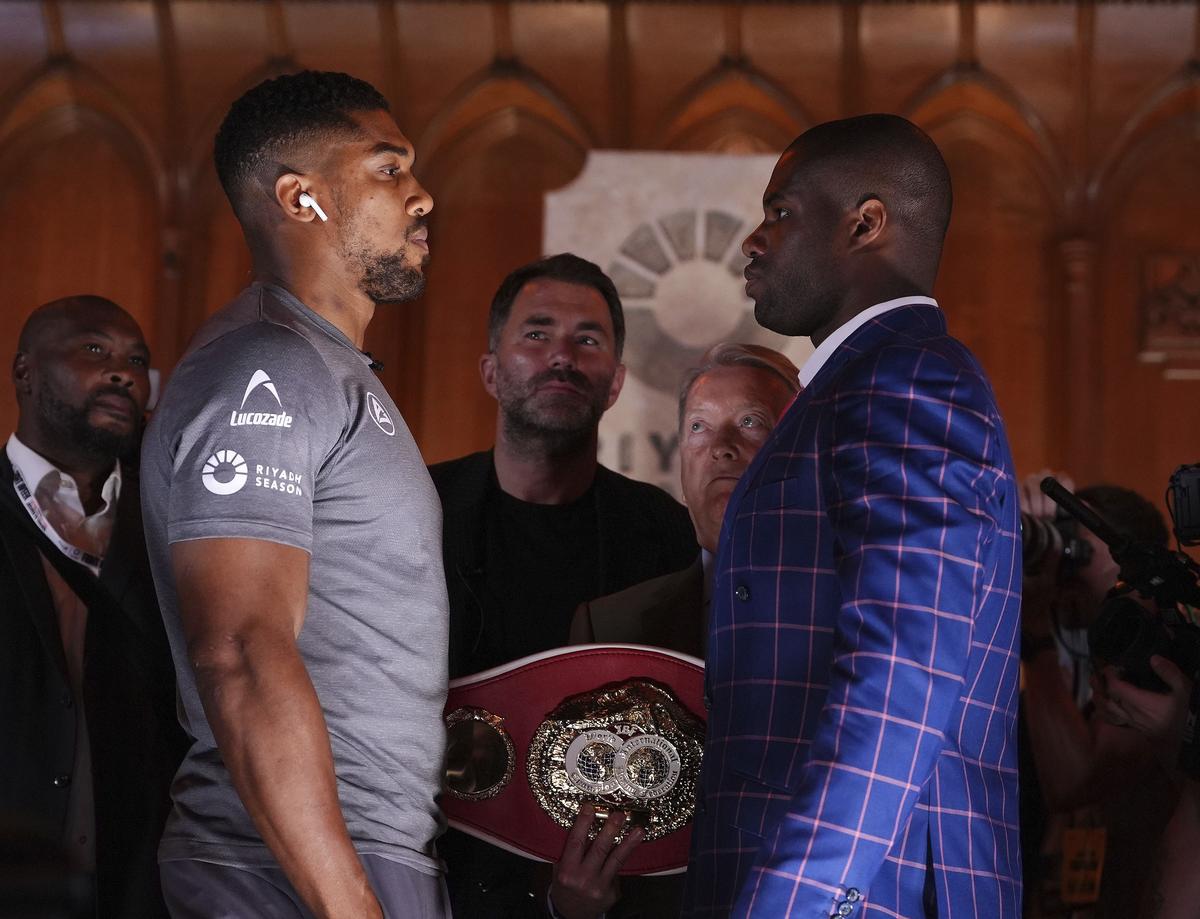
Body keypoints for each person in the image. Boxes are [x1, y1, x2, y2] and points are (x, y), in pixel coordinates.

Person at [684, 114, 1023, 918]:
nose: (754, 241)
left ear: (865, 223)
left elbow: (901, 674)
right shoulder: (853, 387)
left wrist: (793, 902)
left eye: (781, 212)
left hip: (869, 890)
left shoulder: (907, 378)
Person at [140, 71, 449, 918]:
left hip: (355, 853)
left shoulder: (330, 370)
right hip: (284, 868)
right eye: (390, 169)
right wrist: (349, 906)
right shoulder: (266, 367)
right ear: (300, 197)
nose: (421, 197)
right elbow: (236, 647)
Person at [430, 252, 698, 918]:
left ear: (615, 382)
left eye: (587, 340)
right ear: (491, 370)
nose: (562, 356)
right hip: (428, 871)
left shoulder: (660, 530)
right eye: (537, 333)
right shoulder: (418, 506)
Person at [563, 342, 798, 919]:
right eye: (699, 427)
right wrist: (567, 905)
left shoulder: (860, 616)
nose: (721, 446)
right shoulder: (609, 628)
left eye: (750, 422)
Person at [0, 295, 184, 916]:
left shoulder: (174, 525)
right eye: (94, 350)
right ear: (24, 371)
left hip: (137, 882)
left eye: (137, 360)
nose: (122, 372)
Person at [1019, 475, 1178, 917]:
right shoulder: (1072, 649)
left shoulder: (1162, 656)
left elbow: (1074, 780)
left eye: (1075, 547)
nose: (1061, 564)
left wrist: (1034, 633)